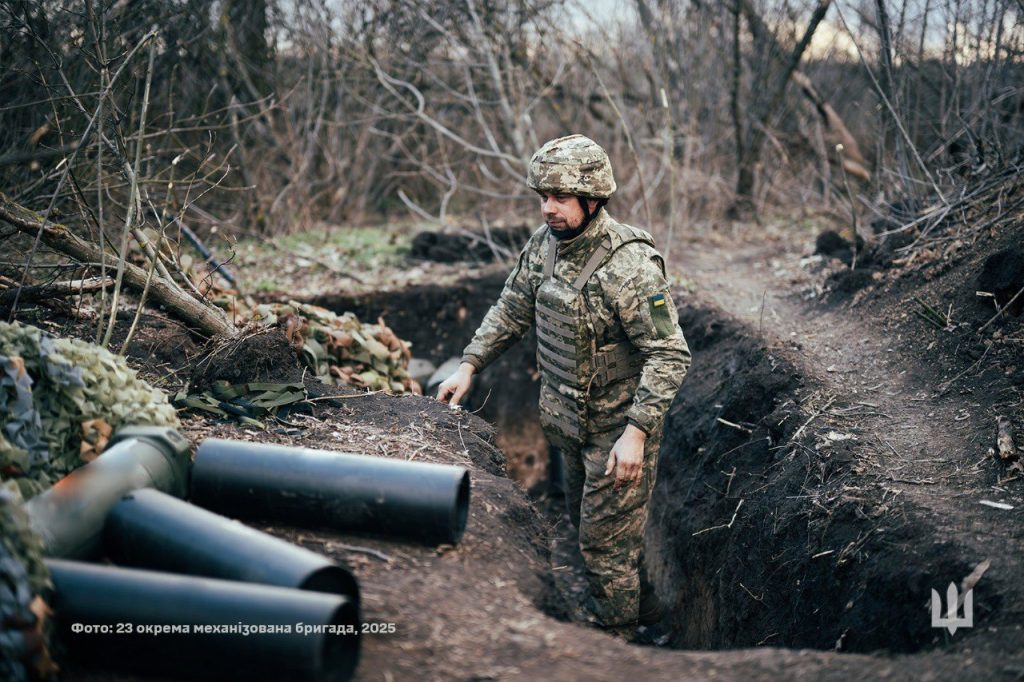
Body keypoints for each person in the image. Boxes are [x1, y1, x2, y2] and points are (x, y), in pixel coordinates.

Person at [436, 134, 691, 634]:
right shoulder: (543, 246)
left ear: (593, 200)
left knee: (601, 545)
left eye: (559, 198)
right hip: (568, 424)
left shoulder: (630, 265)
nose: (547, 208)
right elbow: (511, 308)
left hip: (617, 432)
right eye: (542, 197)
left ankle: (614, 646)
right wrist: (469, 364)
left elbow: (669, 353)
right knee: (595, 533)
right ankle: (640, 606)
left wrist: (636, 433)